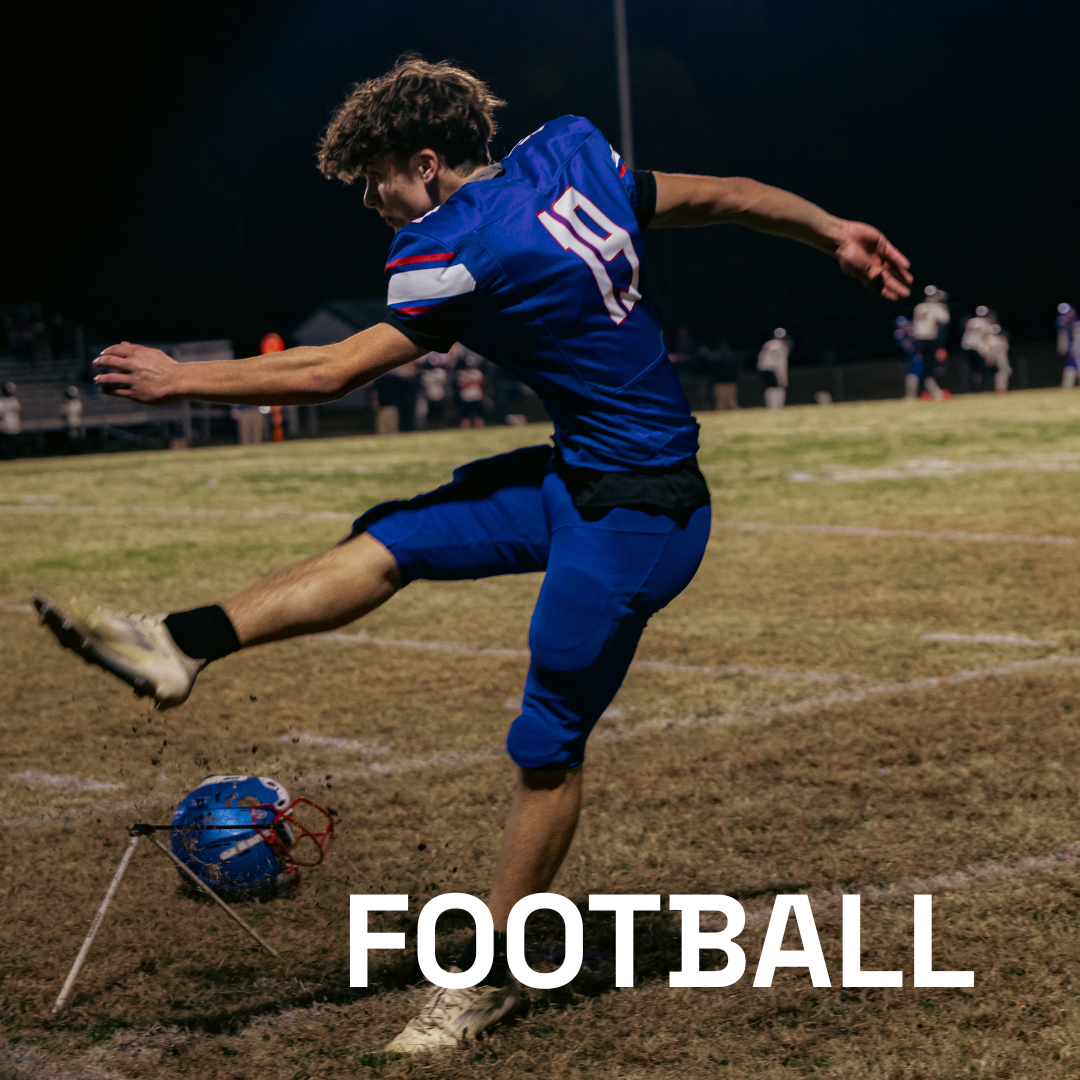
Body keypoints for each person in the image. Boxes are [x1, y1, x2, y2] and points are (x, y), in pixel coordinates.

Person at [32, 55, 911, 1054]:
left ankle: (493, 976)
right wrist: (832, 228)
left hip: (640, 514)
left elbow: (330, 373)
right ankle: (176, 646)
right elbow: (732, 196)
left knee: (544, 746)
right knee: (391, 537)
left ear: (426, 160)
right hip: (577, 476)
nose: (372, 204)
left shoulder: (461, 246)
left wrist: (181, 379)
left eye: (377, 183)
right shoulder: (568, 158)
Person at [913, 285, 951, 397]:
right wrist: (942, 305)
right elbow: (945, 320)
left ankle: (923, 390)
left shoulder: (919, 307)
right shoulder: (935, 307)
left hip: (917, 339)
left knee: (921, 365)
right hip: (930, 339)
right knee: (931, 366)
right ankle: (932, 391)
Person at [451, 342, 487, 427]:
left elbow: (461, 386)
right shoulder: (477, 373)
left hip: (467, 396)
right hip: (475, 396)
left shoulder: (461, 374)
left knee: (467, 416)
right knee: (476, 416)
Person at [961, 305, 993, 392]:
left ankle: (974, 387)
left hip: (967, 346)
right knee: (982, 368)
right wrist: (987, 351)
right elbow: (985, 337)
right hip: (977, 348)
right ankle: (981, 387)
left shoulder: (971, 321)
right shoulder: (986, 322)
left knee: (973, 369)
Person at [757, 327, 790, 409]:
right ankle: (777, 406)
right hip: (773, 368)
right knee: (778, 387)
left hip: (763, 368)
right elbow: (780, 362)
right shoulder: (781, 346)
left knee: (770, 387)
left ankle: (771, 406)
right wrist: (782, 375)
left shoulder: (768, 343)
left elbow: (761, 357)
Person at [710, 342, 740, 410]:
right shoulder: (716, 361)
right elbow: (713, 373)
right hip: (720, 384)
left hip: (730, 383)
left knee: (732, 402)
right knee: (720, 404)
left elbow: (736, 372)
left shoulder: (732, 361)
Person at [1057, 303, 1078, 389]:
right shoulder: (1063, 323)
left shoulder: (1077, 323)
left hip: (1077, 352)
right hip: (1071, 353)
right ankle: (1066, 387)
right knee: (1070, 368)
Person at [0, 381, 20, 459]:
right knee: (5, 444)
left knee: (13, 443)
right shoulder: (1, 401)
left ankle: (12, 457)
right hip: (4, 426)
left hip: (14, 425)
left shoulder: (14, 401)